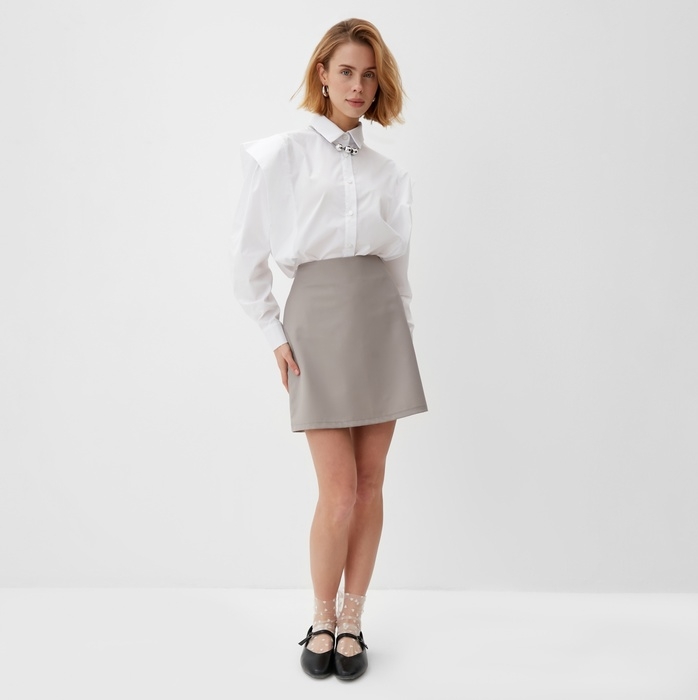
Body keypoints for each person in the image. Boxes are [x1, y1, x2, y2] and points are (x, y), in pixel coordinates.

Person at [229, 18, 427, 681]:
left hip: (380, 324)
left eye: (368, 75)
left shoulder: (388, 172)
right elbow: (247, 261)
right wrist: (274, 335)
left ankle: (352, 620)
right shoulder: (281, 155)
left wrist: (403, 333)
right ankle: (319, 617)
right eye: (346, 71)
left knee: (370, 485)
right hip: (315, 320)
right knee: (337, 490)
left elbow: (397, 266)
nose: (357, 85)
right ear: (322, 73)